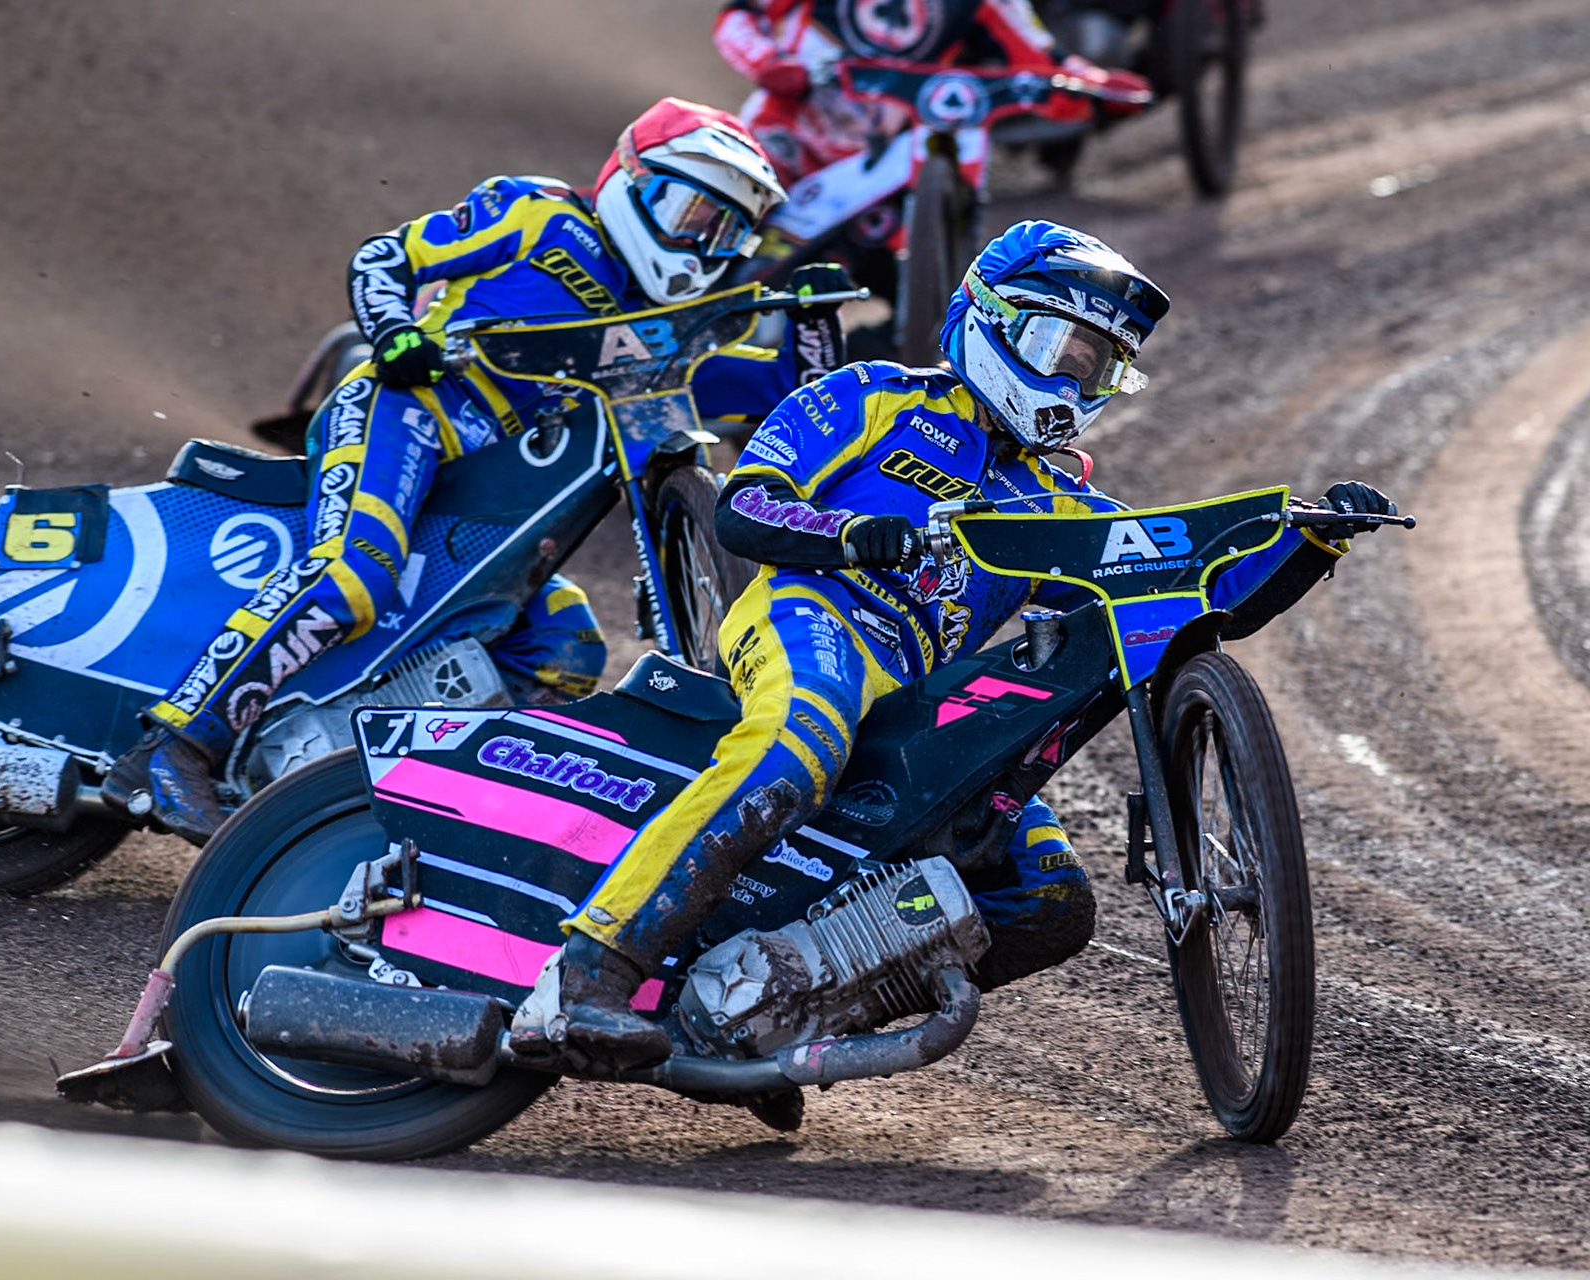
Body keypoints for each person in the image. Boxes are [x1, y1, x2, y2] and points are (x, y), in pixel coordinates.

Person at [537, 220, 1396, 1068]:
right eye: (1064, 347)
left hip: (925, 694)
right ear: (990, 318)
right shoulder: (874, 393)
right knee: (799, 744)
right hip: (814, 618)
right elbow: (745, 506)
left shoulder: (1056, 501)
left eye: (1099, 364)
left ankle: (779, 1013)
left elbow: (1195, 604)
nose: (1076, 378)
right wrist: (848, 533)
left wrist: (1310, 544)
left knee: (1051, 901)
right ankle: (592, 971)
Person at [102, 98, 849, 846]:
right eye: (689, 212)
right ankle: (171, 750)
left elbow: (786, 395)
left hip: (494, 494)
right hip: (410, 413)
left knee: (565, 649)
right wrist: (394, 332)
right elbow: (385, 258)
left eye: (725, 231)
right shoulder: (539, 217)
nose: (701, 244)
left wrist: (817, 322)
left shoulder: (680, 326)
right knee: (351, 577)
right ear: (628, 177)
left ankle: (376, 803)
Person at [713, 0, 1151, 187]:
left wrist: (1097, 85)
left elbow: (1044, 55)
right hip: (786, 136)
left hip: (891, 164)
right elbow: (738, 18)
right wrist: (768, 64)